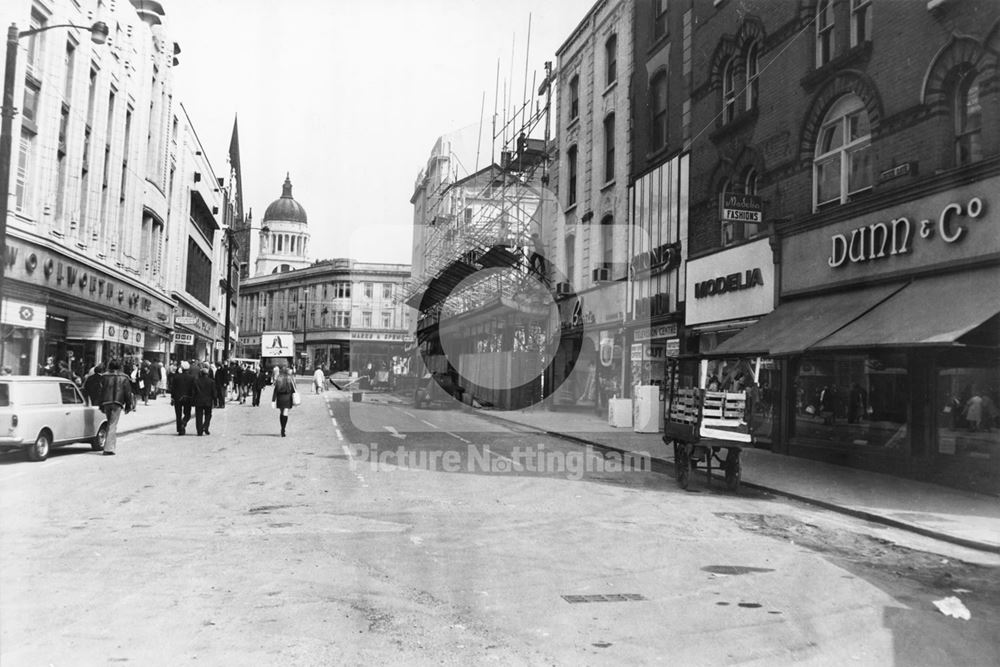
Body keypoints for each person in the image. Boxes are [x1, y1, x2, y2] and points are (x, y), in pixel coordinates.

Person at [99, 358, 134, 456]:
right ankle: (109, 448)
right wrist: (128, 404)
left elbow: (101, 391)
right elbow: (127, 392)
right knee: (112, 424)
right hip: (117, 402)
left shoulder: (104, 376)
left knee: (110, 423)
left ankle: (111, 446)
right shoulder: (124, 377)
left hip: (106, 402)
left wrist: (100, 403)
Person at [271, 365, 298, 437]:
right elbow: (293, 389)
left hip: (280, 397)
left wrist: (273, 400)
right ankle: (283, 429)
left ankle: (282, 427)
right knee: (285, 413)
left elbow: (275, 390)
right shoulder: (290, 378)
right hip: (287, 397)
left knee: (281, 412)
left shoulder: (279, 379)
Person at [171, 361, 196, 435]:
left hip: (177, 397)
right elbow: (193, 389)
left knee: (178, 414)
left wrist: (172, 397)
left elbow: (173, 388)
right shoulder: (192, 378)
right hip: (187, 398)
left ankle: (180, 429)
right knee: (187, 414)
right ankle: (183, 423)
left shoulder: (176, 377)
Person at [192, 366, 217, 436]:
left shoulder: (196, 381)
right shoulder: (212, 382)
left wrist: (193, 401)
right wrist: (215, 401)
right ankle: (205, 426)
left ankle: (199, 431)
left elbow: (193, 392)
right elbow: (214, 392)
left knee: (199, 416)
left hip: (199, 401)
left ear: (201, 373)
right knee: (208, 415)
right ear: (208, 374)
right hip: (208, 401)